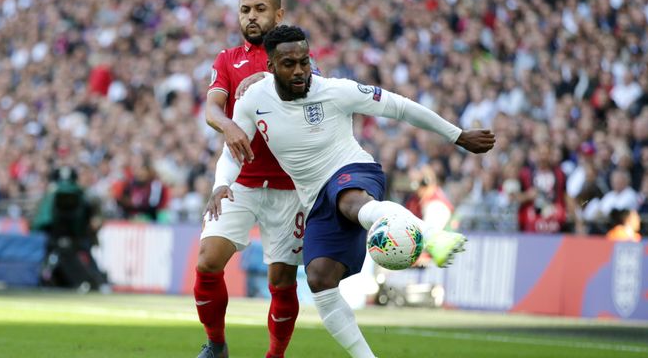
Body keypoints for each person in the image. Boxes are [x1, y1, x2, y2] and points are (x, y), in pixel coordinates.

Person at [207, 25, 495, 358]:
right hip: (314, 199)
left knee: (350, 200)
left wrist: (457, 135)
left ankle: (431, 236)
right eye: (289, 64)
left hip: (352, 170)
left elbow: (399, 107)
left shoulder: (335, 90)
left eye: (304, 61)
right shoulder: (253, 100)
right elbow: (233, 151)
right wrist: (221, 184)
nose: (300, 70)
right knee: (318, 279)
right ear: (270, 67)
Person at [196, 0, 309, 358]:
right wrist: (226, 124)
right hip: (240, 179)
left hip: (287, 188)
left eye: (260, 9)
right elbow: (213, 107)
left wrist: (267, 77)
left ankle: (275, 356)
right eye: (245, 10)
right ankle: (216, 344)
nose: (251, 16)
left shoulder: (296, 58)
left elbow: (312, 95)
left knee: (282, 279)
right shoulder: (227, 60)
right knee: (208, 261)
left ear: (279, 14)